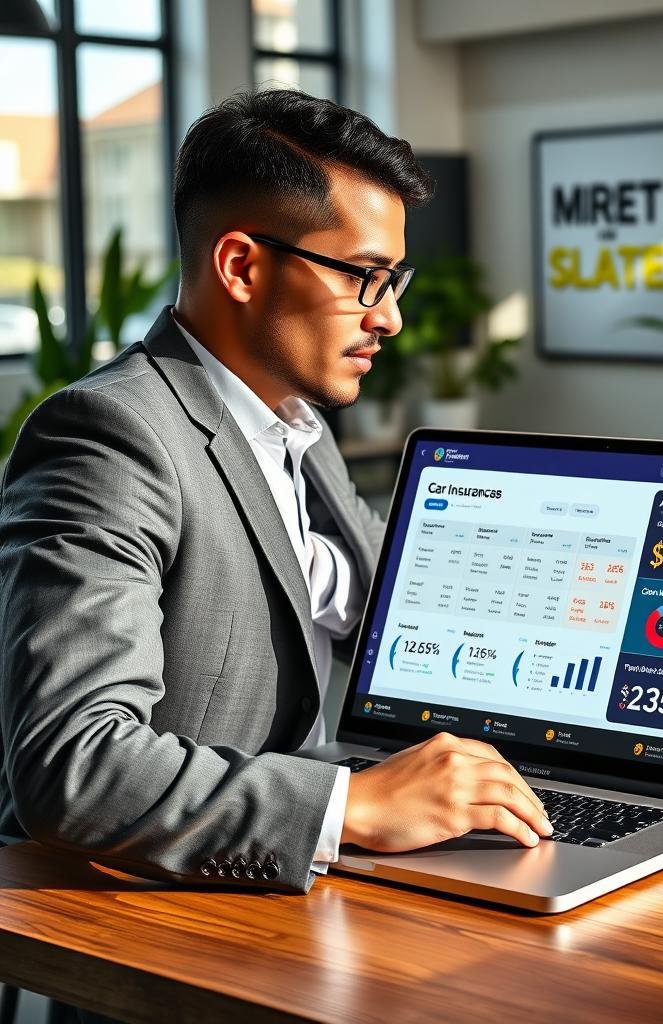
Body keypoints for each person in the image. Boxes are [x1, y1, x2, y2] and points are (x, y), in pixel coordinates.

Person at [0, 89, 551, 894]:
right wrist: (351, 806)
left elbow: (374, 587)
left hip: (302, 884)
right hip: (154, 913)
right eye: (366, 277)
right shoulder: (108, 436)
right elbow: (75, 764)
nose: (390, 318)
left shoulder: (293, 416)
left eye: (396, 278)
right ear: (242, 266)